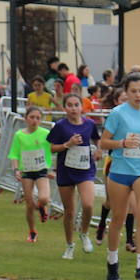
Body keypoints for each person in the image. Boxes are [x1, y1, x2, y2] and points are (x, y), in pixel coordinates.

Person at [98, 71, 140, 280]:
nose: (138, 95)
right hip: (120, 170)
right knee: (118, 217)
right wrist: (121, 144)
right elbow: (103, 142)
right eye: (133, 91)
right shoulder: (118, 113)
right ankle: (112, 261)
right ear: (126, 92)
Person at [48, 92, 99, 259]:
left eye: (76, 105)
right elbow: (51, 148)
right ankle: (69, 245)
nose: (73, 109)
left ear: (81, 106)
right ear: (64, 108)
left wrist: (99, 151)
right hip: (66, 170)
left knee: (88, 204)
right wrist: (67, 144)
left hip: (85, 170)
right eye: (69, 105)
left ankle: (84, 233)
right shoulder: (60, 126)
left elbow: (97, 140)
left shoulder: (90, 124)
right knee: (69, 212)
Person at [9, 106, 55, 243]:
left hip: (41, 170)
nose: (34, 120)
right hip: (27, 171)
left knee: (44, 198)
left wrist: (52, 169)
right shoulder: (19, 135)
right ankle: (32, 230)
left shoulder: (46, 133)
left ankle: (42, 207)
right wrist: (16, 170)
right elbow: (14, 154)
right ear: (26, 118)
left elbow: (54, 148)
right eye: (32, 117)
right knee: (29, 203)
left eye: (38, 118)